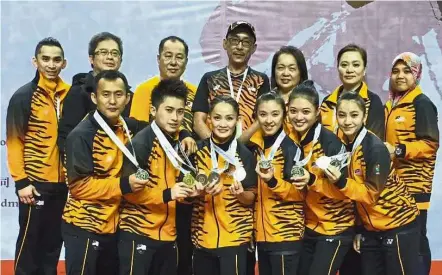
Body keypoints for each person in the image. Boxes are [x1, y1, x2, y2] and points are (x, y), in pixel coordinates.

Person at [62, 70, 148, 274]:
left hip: (115, 228)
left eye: (118, 94)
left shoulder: (128, 126)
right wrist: (125, 185)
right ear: (94, 97)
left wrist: (186, 134)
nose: (112, 101)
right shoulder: (81, 135)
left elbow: (158, 128)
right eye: (105, 94)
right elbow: (79, 187)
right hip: (84, 227)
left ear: (127, 98)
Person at [129, 36, 197, 275]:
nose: (173, 61)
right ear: (158, 59)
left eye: (179, 57)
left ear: (187, 62)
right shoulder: (143, 92)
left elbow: (191, 157)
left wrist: (191, 188)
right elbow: (136, 133)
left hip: (176, 205)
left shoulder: (194, 92)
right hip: (146, 212)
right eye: (168, 55)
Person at [332, 92, 419, 274]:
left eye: (354, 115)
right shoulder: (343, 145)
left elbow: (370, 194)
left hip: (398, 225)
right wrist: (358, 229)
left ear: (364, 116)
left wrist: (340, 181)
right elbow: (353, 199)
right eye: (342, 115)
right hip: (371, 230)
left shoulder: (375, 148)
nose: (348, 121)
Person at [6, 37, 70, 275]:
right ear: (35, 61)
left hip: (62, 184)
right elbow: (14, 142)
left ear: (64, 63)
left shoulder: (70, 96)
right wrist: (21, 182)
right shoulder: (23, 96)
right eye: (46, 59)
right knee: (30, 246)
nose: (51, 64)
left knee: (53, 247)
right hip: (34, 185)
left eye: (56, 59)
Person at [286, 81, 354, 275]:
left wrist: (312, 181)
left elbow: (345, 192)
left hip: (335, 227)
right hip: (309, 226)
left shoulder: (330, 144)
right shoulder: (291, 140)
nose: (299, 117)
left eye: (306, 112)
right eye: (293, 111)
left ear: (317, 112)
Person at [384, 52, 439, 275]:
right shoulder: (392, 104)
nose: (400, 76)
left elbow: (430, 144)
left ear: (417, 74)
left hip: (415, 186)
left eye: (407, 71)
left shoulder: (421, 103)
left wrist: (399, 150)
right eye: (396, 71)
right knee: (402, 244)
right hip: (393, 186)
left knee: (415, 242)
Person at [191, 95, 257, 275]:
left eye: (229, 118)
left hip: (235, 239)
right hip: (202, 238)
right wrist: (196, 189)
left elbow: (251, 196)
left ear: (237, 121)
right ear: (209, 119)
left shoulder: (245, 154)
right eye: (217, 117)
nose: (223, 123)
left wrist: (241, 195)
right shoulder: (196, 150)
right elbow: (184, 185)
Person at [249, 92, 307, 275]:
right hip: (262, 237)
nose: (269, 120)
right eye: (263, 114)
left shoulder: (291, 148)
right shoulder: (254, 148)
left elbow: (300, 193)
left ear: (284, 115)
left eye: (275, 114)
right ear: (256, 116)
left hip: (286, 235)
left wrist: (272, 181)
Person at [192, 21, 270, 145]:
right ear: (225, 44)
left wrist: (238, 147)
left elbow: (262, 119)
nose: (239, 47)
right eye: (234, 41)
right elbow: (198, 121)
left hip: (248, 152)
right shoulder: (209, 78)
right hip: (211, 153)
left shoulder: (261, 80)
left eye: (246, 42)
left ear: (253, 48)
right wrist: (215, 147)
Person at [58, 32, 132, 157]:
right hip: (89, 168)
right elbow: (66, 138)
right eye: (103, 52)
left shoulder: (129, 96)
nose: (110, 57)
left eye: (115, 53)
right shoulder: (79, 93)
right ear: (91, 59)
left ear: (120, 60)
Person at [320, 44, 384, 139]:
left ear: (364, 70)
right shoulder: (327, 102)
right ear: (338, 68)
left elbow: (373, 142)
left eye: (356, 65)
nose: (349, 70)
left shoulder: (373, 101)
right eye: (344, 65)